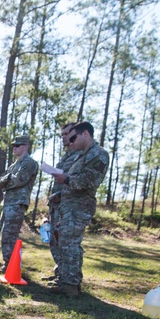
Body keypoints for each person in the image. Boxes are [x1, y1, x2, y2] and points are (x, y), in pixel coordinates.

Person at [49, 121, 109, 295]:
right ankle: (65, 281)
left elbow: (90, 180)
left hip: (80, 207)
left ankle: (71, 285)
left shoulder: (98, 154)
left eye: (73, 137)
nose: (71, 141)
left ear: (85, 134)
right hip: (68, 206)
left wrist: (66, 179)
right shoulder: (80, 156)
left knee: (71, 244)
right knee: (65, 242)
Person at [0, 135, 38, 273]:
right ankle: (8, 263)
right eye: (13, 145)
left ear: (26, 146)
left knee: (10, 234)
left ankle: (10, 265)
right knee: (5, 233)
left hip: (18, 203)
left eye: (18, 145)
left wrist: (7, 180)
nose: (14, 148)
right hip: (8, 202)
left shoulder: (29, 163)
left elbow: (18, 180)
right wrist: (7, 179)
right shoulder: (14, 165)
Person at [44, 123, 77, 282]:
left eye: (66, 134)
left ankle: (68, 278)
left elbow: (78, 182)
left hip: (68, 205)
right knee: (55, 240)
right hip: (57, 205)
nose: (64, 137)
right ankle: (61, 273)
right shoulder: (66, 155)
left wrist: (62, 195)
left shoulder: (79, 155)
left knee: (66, 242)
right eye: (62, 134)